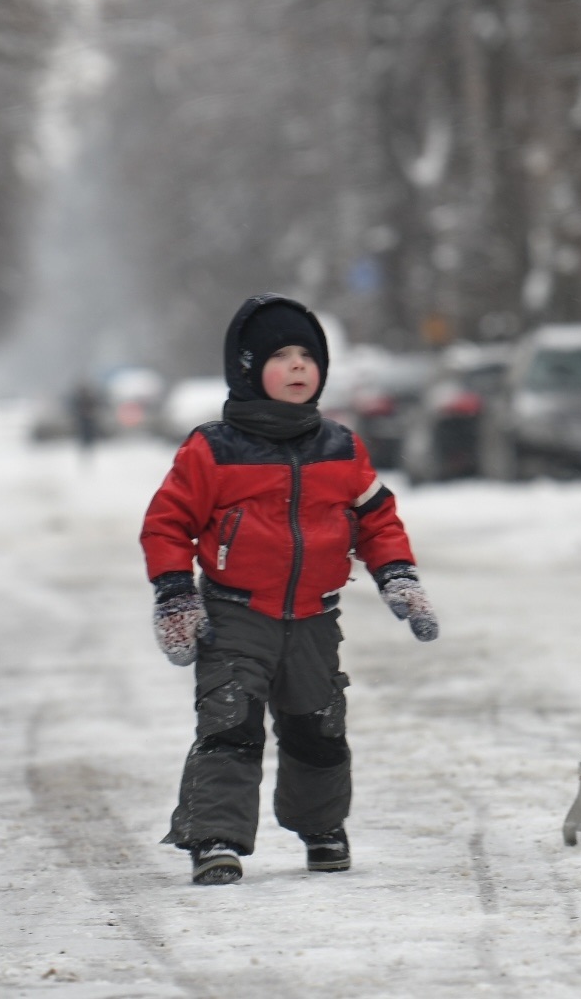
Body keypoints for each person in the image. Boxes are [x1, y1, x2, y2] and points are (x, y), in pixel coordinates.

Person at [140, 293, 439, 884]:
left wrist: (397, 575)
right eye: (283, 355)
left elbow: (377, 520)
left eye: (309, 355)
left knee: (318, 727)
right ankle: (215, 838)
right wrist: (176, 592)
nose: (300, 365)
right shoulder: (213, 449)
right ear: (249, 371)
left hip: (314, 620)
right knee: (230, 720)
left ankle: (322, 827)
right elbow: (167, 523)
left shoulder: (341, 448)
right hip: (234, 615)